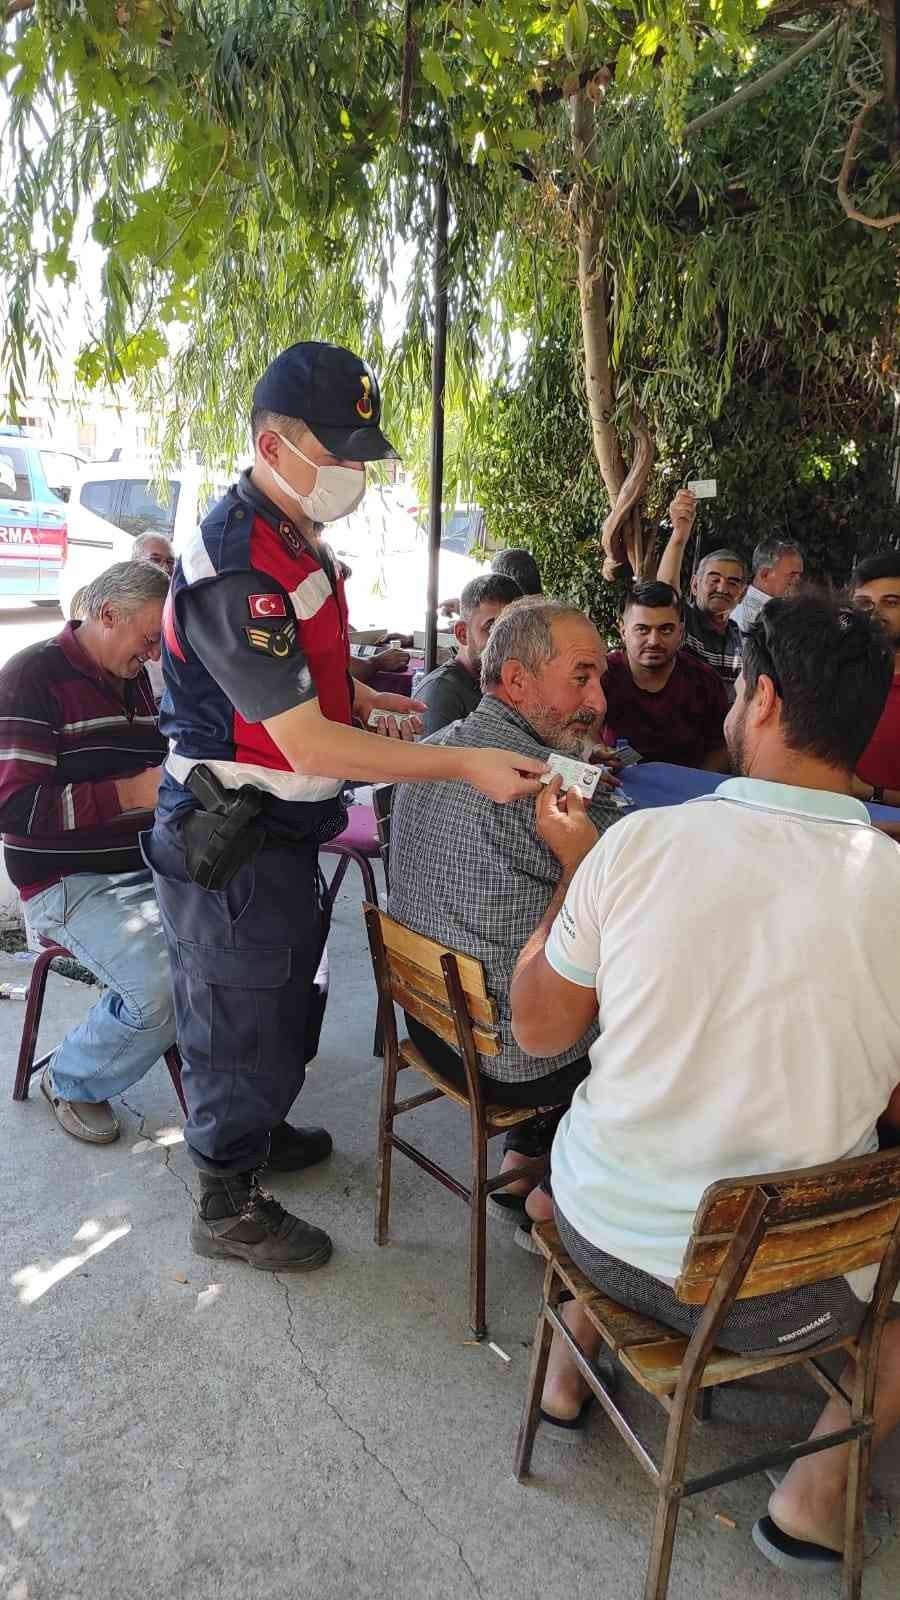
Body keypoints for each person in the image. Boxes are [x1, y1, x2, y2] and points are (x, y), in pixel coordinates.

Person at [509, 594, 900, 1576]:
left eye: (737, 684)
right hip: (787, 1287)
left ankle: (567, 1368)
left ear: (762, 700)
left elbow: (537, 1028)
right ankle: (811, 1497)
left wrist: (570, 876)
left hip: (602, 1234)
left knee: (612, 1137)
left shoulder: (640, 845)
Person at [143, 340, 546, 1273]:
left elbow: (305, 676)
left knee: (287, 996)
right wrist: (463, 761)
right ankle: (225, 1195)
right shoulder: (238, 564)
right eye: (340, 454)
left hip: (285, 824)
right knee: (238, 1011)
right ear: (271, 445)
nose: (356, 472)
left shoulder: (293, 533)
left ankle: (257, 1131)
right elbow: (308, 744)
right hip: (233, 829)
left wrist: (367, 697)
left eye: (362, 453)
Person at [389, 597, 623, 1222]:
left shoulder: (433, 751)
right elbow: (618, 877)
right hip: (512, 1059)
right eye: (582, 677)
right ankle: (576, 1203)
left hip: (431, 1025)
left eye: (599, 677)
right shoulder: (543, 786)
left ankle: (530, 1151)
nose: (599, 700)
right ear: (516, 680)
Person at [0, 562, 176, 1144]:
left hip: (144, 864)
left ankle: (223, 1077)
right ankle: (73, 1078)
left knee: (241, 942)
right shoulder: (31, 678)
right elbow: (12, 809)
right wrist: (131, 793)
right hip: (64, 880)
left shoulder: (131, 677)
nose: (153, 655)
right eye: (149, 639)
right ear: (107, 615)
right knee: (164, 989)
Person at [601, 581, 730, 769]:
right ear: (623, 630)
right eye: (642, 629)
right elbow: (581, 734)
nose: (654, 641)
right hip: (616, 787)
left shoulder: (704, 681)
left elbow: (721, 747)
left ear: (680, 631)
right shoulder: (602, 676)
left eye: (666, 629)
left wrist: (697, 790)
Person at [657, 490, 745, 690]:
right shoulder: (684, 622)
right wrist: (679, 535)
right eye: (714, 579)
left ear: (743, 594)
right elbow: (665, 591)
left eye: (732, 583)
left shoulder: (741, 640)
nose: (722, 588)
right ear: (695, 585)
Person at [417, 573, 521, 735]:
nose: (507, 641)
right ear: (462, 634)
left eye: (515, 630)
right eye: (492, 629)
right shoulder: (441, 694)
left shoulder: (509, 683)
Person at [851, 551, 900, 809]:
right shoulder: (833, 674)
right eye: (864, 603)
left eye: (890, 602)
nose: (874, 614)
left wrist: (871, 792)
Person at [132, 534, 176, 702]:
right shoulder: (123, 607)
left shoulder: (178, 607)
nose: (165, 568)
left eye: (170, 562)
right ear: (135, 562)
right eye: (155, 560)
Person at [730, 536, 804, 633]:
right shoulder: (750, 618)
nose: (798, 580)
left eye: (800, 575)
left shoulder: (781, 609)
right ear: (764, 574)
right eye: (792, 574)